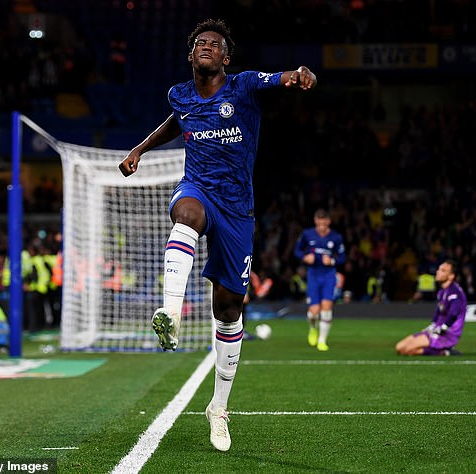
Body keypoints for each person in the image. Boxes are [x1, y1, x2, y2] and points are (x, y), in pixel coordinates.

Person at [118, 18, 316, 452]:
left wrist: (300, 75)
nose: (206, 46)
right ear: (191, 55)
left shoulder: (243, 85)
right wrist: (140, 149)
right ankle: (171, 313)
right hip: (198, 188)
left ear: (226, 57)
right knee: (185, 213)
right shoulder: (180, 94)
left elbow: (281, 77)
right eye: (199, 43)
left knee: (228, 311)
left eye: (214, 43)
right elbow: (177, 121)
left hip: (237, 208)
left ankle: (218, 408)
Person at [294, 209, 345, 352]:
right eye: (319, 223)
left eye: (324, 223)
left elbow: (342, 257)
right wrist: (305, 257)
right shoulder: (307, 234)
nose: (322, 226)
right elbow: (297, 250)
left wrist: (332, 261)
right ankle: (312, 328)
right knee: (314, 312)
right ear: (315, 221)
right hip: (313, 274)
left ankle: (322, 341)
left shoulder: (336, 237)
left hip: (329, 275)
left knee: (327, 306)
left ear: (329, 221)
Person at [395, 260, 467, 356]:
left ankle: (445, 352)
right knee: (399, 347)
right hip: (435, 330)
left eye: (443, 270)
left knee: (407, 350)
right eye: (439, 269)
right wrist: (433, 324)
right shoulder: (442, 291)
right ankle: (442, 350)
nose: (438, 272)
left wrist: (443, 328)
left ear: (451, 276)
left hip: (446, 334)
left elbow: (454, 312)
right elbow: (439, 310)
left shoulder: (454, 292)